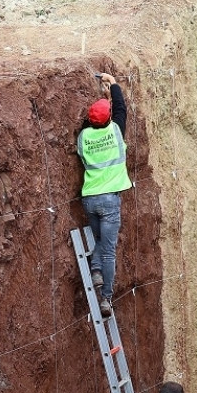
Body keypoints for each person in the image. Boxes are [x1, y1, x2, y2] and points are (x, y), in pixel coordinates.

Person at [76, 72, 132, 318]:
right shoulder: (117, 132)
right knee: (108, 250)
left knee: (101, 244)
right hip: (109, 200)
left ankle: (96, 269)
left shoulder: (84, 137)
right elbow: (121, 110)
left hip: (89, 199)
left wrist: (102, 106)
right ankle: (106, 298)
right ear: (109, 119)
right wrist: (114, 87)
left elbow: (96, 122)